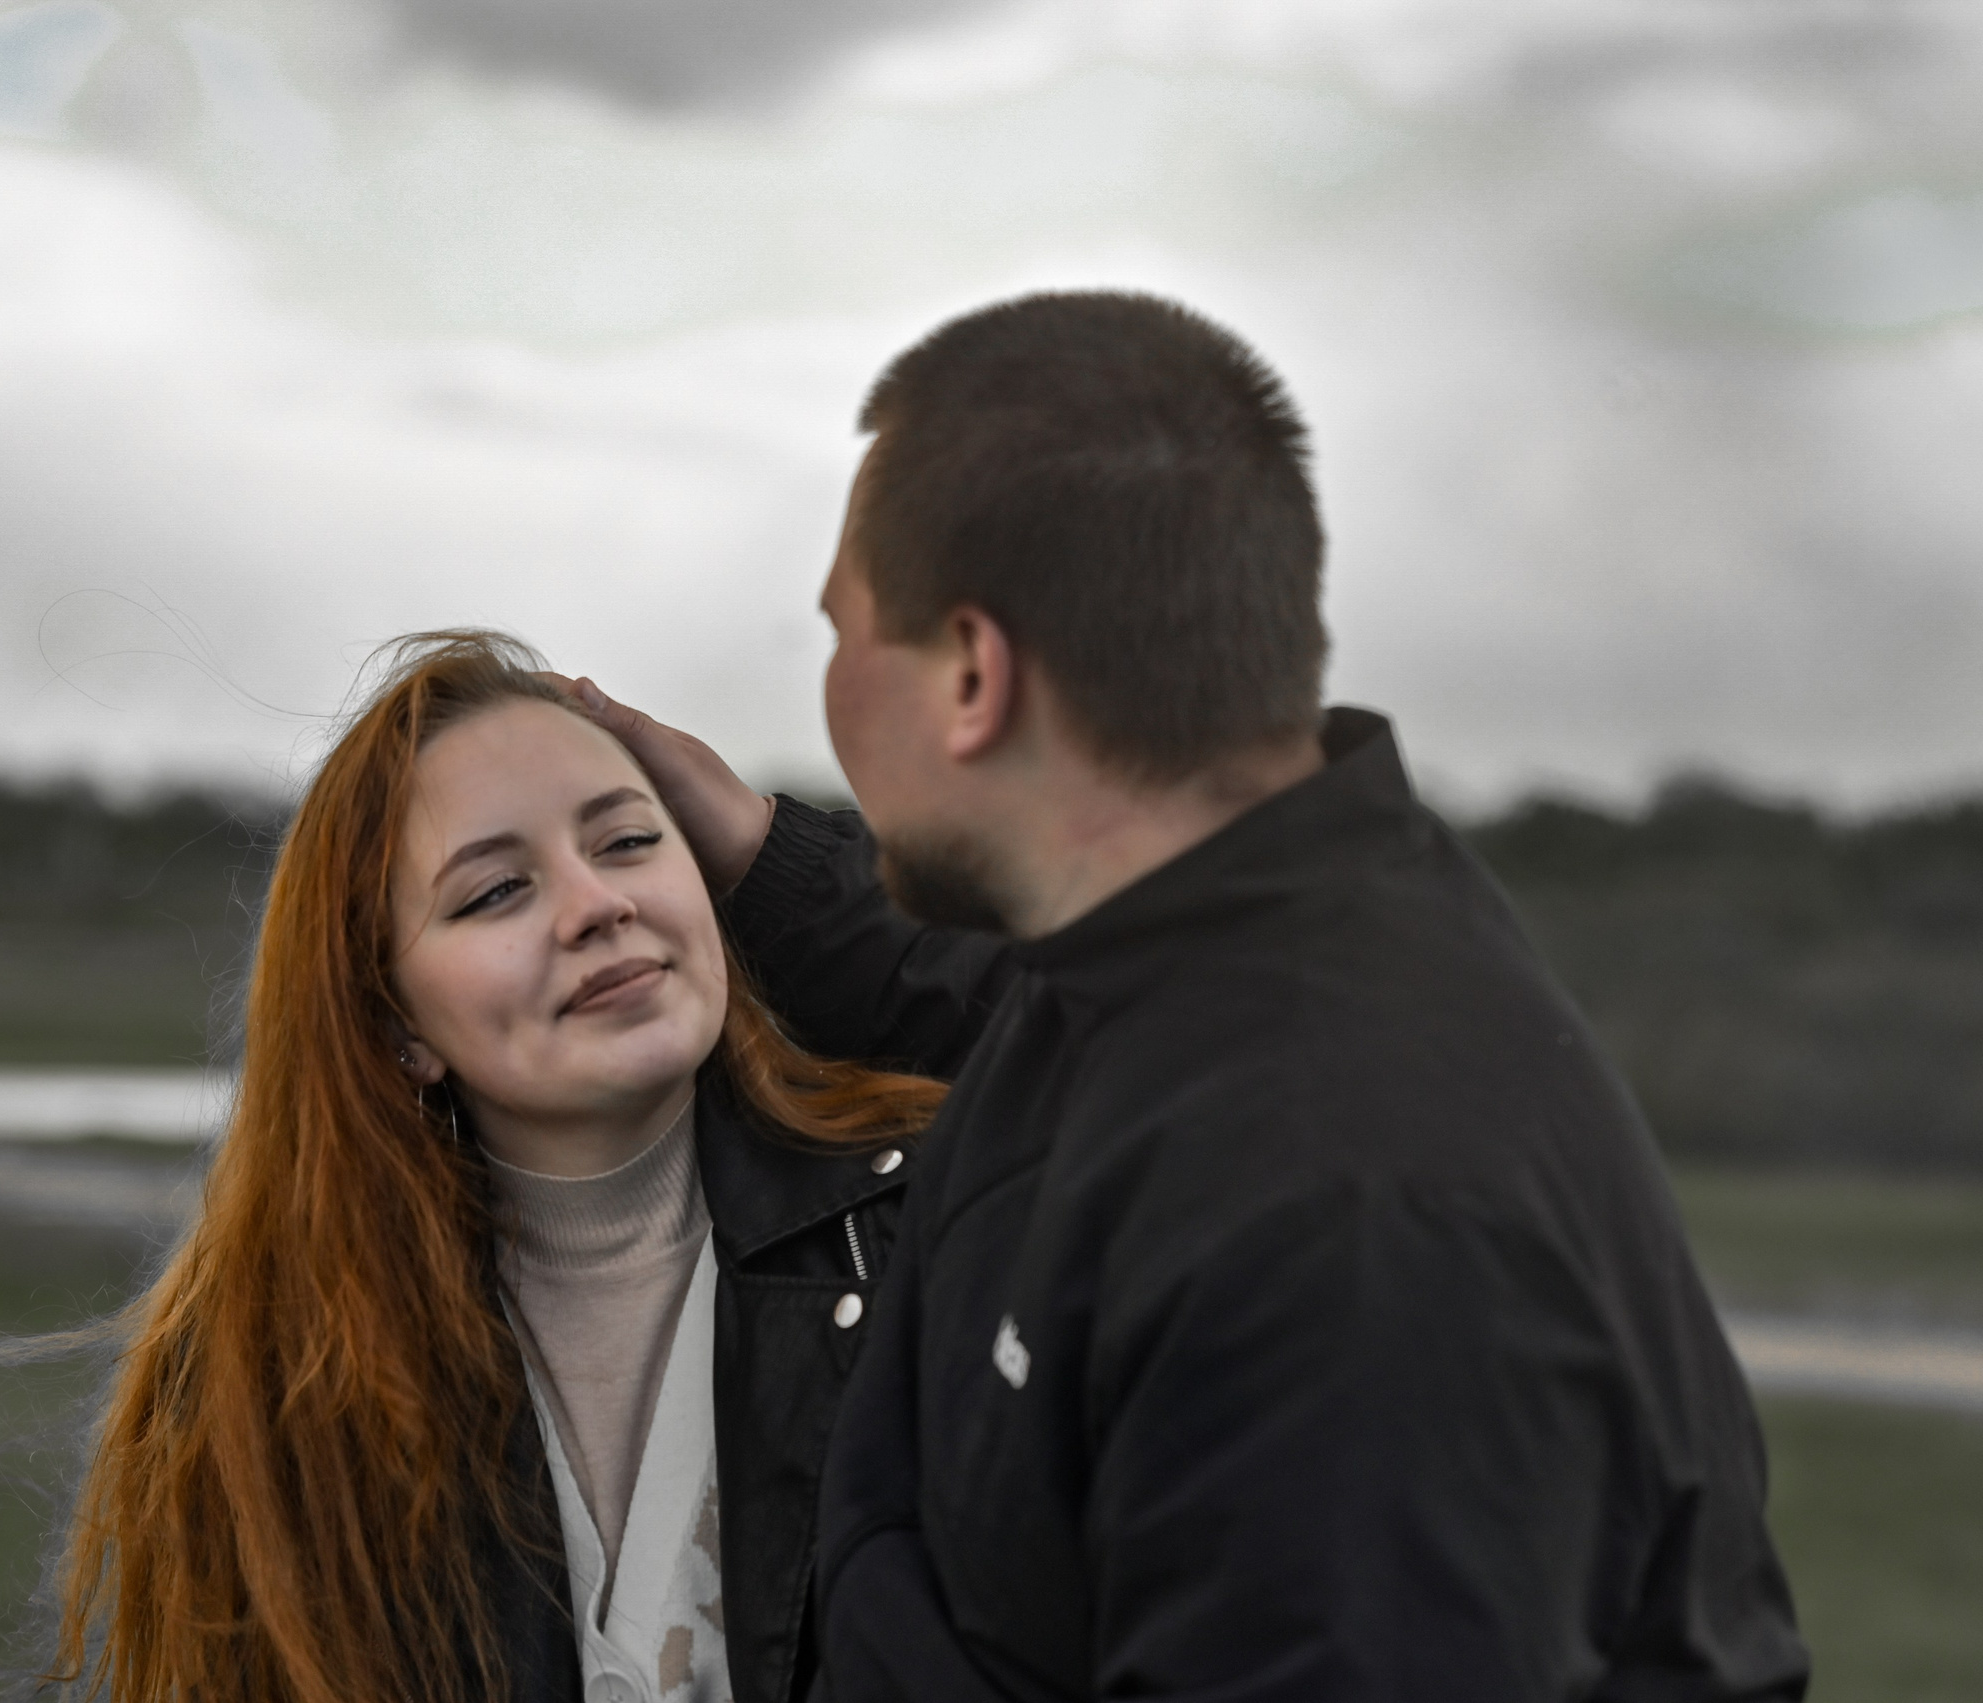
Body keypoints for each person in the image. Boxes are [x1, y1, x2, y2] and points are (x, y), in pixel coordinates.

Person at [565, 292, 1811, 1701]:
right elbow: (1026, 1010)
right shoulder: (1238, 932)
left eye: (846, 634)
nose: (834, 687)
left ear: (971, 673)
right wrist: (766, 860)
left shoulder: (1340, 1232)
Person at [44, 632, 943, 1703]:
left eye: (628, 840)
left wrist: (782, 864)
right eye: (496, 891)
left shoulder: (935, 1229)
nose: (596, 902)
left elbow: (1123, 1041)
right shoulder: (267, 1366)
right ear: (398, 1026)